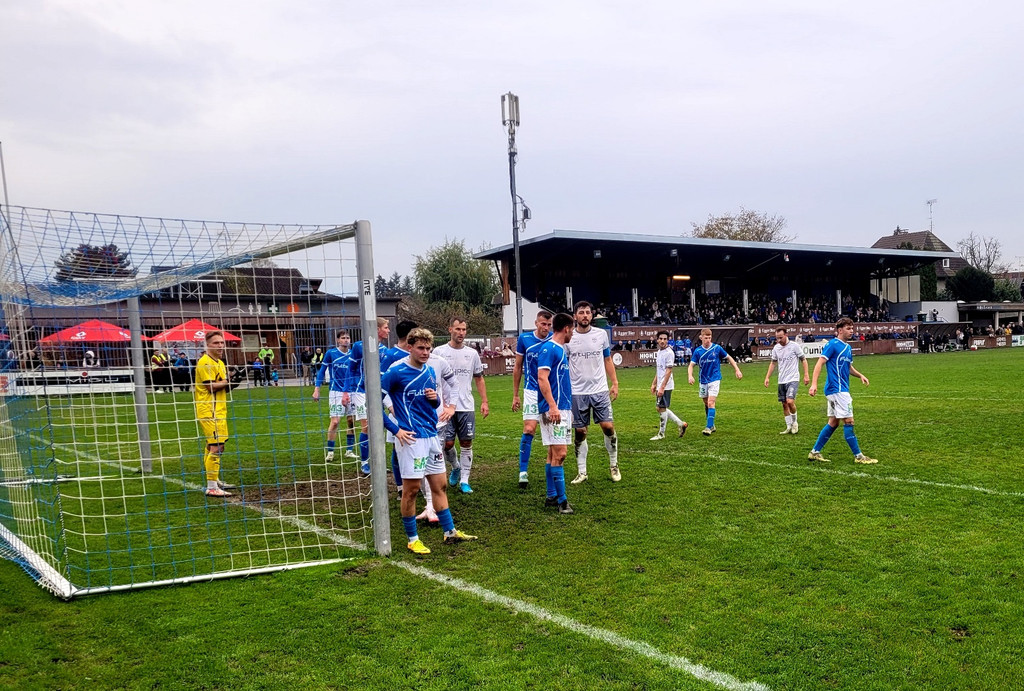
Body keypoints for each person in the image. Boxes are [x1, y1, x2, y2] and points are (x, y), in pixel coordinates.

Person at [381, 327, 477, 554]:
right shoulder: (396, 372)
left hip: (432, 436)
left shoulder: (430, 372)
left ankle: (449, 532)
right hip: (412, 440)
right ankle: (412, 539)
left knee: (439, 486)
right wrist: (396, 430)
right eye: (421, 348)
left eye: (428, 348)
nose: (425, 352)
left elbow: (431, 406)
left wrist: (435, 401)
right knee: (412, 490)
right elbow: (373, 403)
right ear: (410, 347)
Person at [807, 318, 878, 464]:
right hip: (837, 389)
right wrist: (814, 384)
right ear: (840, 330)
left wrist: (860, 375)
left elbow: (848, 367)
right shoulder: (832, 344)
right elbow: (820, 363)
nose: (851, 331)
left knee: (833, 423)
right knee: (849, 421)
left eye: (852, 328)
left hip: (839, 389)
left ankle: (814, 452)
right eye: (848, 328)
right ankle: (859, 456)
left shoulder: (848, 348)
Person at [433, 317, 489, 494]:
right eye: (458, 329)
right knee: (447, 444)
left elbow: (479, 378)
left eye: (464, 329)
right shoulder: (438, 352)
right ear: (450, 329)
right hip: (445, 407)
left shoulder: (472, 354)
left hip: (466, 406)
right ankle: (456, 466)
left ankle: (465, 480)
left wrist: (484, 402)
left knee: (466, 442)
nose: (461, 333)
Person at [567, 301, 621, 484]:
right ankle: (582, 472)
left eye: (588, 312)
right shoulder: (569, 337)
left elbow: (607, 359)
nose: (585, 316)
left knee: (608, 427)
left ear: (592, 315)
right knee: (580, 432)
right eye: (581, 312)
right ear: (575, 316)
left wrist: (614, 383)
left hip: (599, 390)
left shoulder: (601, 335)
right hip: (577, 392)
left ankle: (614, 465)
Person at [194, 331, 244, 497]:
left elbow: (223, 387)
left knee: (213, 445)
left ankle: (214, 479)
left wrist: (235, 382)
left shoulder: (220, 363)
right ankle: (211, 486)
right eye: (216, 343)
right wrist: (228, 381)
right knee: (217, 446)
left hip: (219, 409)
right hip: (209, 409)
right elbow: (210, 386)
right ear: (207, 345)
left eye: (222, 342)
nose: (221, 346)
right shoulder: (205, 362)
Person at [537, 312, 575, 514]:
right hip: (555, 409)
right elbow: (542, 378)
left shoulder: (559, 349)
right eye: (572, 329)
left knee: (553, 453)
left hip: (562, 408)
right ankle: (562, 502)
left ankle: (551, 496)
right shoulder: (549, 349)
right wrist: (552, 406)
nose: (573, 333)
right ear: (567, 328)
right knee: (560, 454)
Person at [511, 310, 552, 489]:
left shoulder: (554, 340)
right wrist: (515, 394)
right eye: (543, 324)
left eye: (549, 325)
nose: (546, 327)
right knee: (529, 429)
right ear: (536, 323)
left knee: (551, 433)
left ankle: (552, 469)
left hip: (550, 392)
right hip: (531, 391)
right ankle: (523, 471)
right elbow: (518, 367)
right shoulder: (524, 339)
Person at [347, 317, 392, 473]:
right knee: (366, 427)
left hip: (378, 393)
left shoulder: (385, 350)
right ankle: (365, 463)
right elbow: (350, 369)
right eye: (386, 327)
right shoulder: (359, 346)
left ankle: (378, 462)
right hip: (360, 392)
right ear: (377, 329)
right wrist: (347, 391)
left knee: (378, 427)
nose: (388, 330)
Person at [687, 328, 743, 435]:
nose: (708, 340)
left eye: (709, 338)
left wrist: (737, 369)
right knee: (706, 402)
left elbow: (729, 357)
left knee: (711, 402)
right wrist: (690, 375)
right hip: (703, 380)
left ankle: (708, 427)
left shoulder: (717, 348)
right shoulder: (698, 351)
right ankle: (711, 424)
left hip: (715, 379)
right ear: (701, 338)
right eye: (706, 338)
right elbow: (691, 365)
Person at [313, 331, 357, 462]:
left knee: (351, 421)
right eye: (343, 338)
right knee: (335, 422)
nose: (346, 340)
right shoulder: (331, 354)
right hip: (336, 392)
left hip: (352, 391)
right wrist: (317, 389)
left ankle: (349, 450)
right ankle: (330, 452)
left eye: (348, 338)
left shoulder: (354, 354)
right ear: (338, 340)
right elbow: (322, 371)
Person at [764, 327, 810, 435]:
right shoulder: (776, 348)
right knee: (784, 404)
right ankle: (788, 426)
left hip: (793, 378)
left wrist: (806, 374)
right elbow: (773, 363)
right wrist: (767, 377)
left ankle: (794, 423)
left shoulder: (794, 346)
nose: (779, 340)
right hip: (782, 379)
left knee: (790, 401)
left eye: (780, 337)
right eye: (777, 338)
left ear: (786, 335)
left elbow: (803, 359)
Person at [650, 331, 687, 440]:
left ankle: (661, 434)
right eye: (661, 338)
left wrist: (661, 387)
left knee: (661, 408)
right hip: (661, 384)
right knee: (660, 407)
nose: (662, 341)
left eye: (665, 339)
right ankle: (680, 424)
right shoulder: (660, 352)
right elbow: (659, 370)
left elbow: (668, 371)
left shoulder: (669, 353)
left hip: (666, 385)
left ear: (668, 340)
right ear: (657, 340)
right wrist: (654, 383)